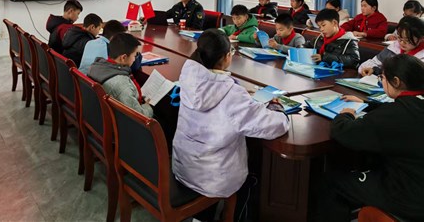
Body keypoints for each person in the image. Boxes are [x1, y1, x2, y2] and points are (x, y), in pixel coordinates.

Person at [172, 29, 289, 200]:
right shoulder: (232, 94)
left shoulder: (189, 77)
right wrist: (277, 108)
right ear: (227, 56)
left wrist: (239, 93)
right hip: (214, 179)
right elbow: (274, 126)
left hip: (184, 167)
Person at [315, 55, 424, 222]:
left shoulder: (395, 115)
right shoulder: (415, 104)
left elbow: (345, 133)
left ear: (396, 81)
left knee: (333, 183)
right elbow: (394, 110)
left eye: (382, 78)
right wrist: (366, 103)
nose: (381, 81)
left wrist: (345, 115)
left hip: (408, 196)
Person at [87, 33, 152, 117]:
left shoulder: (95, 66)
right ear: (123, 57)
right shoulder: (122, 84)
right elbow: (140, 116)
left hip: (97, 114)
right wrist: (147, 106)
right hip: (119, 121)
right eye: (135, 55)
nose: (135, 59)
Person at [359, 16, 424, 76]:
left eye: (407, 40)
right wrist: (370, 69)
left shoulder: (421, 58)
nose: (402, 42)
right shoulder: (393, 48)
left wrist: (378, 71)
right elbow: (370, 63)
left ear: (421, 38)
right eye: (399, 38)